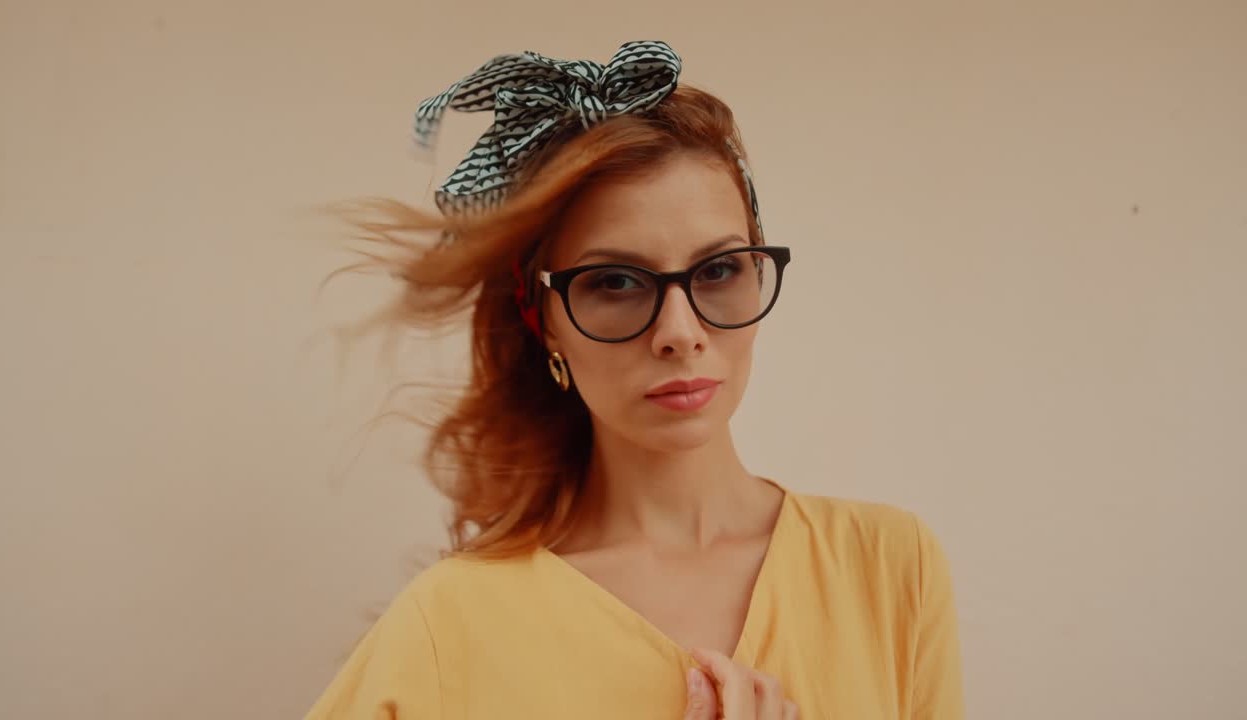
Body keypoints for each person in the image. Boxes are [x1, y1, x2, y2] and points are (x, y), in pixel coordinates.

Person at [306, 40, 964, 720]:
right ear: (542, 317)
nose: (680, 331)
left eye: (718, 271)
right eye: (615, 281)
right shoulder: (447, 624)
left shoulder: (889, 569)